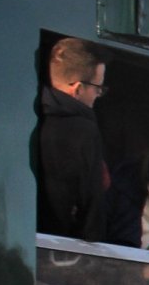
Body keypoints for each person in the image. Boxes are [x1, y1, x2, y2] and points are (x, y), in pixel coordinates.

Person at [33, 37, 108, 238]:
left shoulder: (32, 115)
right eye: (98, 88)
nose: (98, 95)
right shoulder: (83, 130)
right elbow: (91, 204)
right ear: (77, 88)